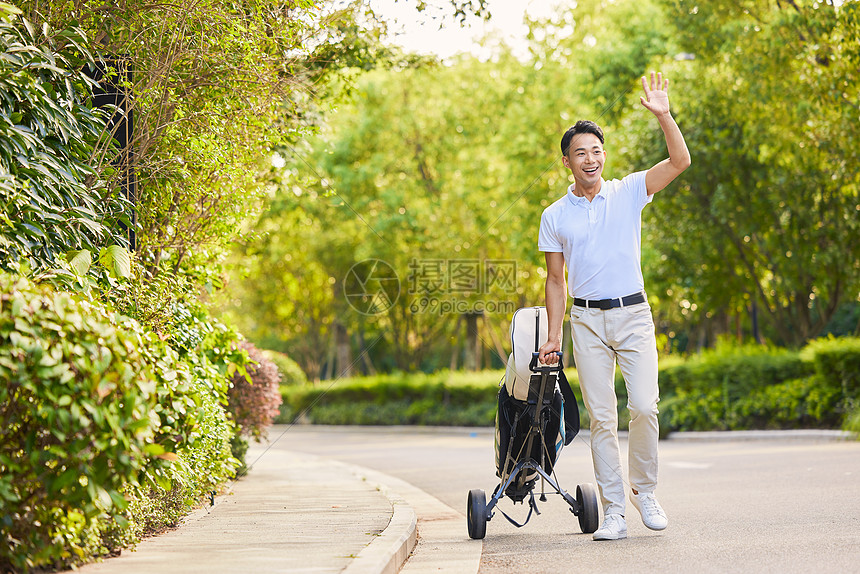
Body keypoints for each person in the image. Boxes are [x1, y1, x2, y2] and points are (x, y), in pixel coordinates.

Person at [536, 72, 691, 541]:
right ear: (568, 161)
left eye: (597, 150)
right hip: (585, 321)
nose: (591, 158)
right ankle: (614, 510)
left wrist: (664, 115)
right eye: (581, 152)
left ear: (605, 156)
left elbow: (680, 161)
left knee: (644, 407)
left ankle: (645, 491)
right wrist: (552, 336)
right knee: (602, 418)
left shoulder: (628, 192)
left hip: (633, 315)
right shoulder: (554, 216)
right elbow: (556, 280)